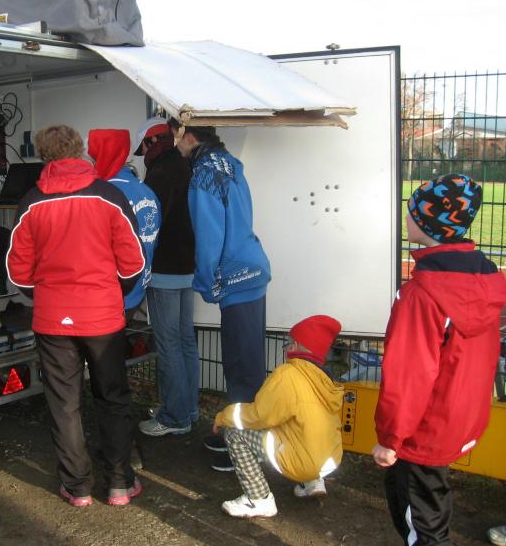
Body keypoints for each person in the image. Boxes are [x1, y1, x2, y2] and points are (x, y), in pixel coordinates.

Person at [6, 124, 146, 507]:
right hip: (103, 316)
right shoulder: (109, 195)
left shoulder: (31, 201)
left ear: (43, 155)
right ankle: (119, 484)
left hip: (54, 319)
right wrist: (111, 293)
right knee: (112, 398)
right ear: (79, 150)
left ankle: (78, 487)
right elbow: (133, 263)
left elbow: (18, 271)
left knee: (64, 404)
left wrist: (44, 295)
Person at [372, 174, 506, 545]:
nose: (407, 216)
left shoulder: (420, 294)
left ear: (427, 222)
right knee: (431, 503)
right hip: (462, 416)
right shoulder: (485, 278)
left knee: (421, 525)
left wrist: (390, 439)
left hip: (422, 430)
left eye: (412, 210)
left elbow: (409, 376)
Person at [175, 123, 271, 470]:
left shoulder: (203, 174)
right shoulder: (229, 162)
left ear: (190, 136)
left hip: (234, 277)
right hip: (251, 269)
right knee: (247, 363)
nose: (175, 145)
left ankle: (246, 451)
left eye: (175, 136)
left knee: (241, 369)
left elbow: (208, 238)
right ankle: (237, 433)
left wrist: (206, 283)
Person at [213, 315, 344, 518]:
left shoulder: (287, 374)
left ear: (296, 346)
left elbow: (259, 415)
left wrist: (224, 415)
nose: (286, 348)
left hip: (304, 461)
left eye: (289, 342)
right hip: (329, 459)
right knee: (301, 424)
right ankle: (313, 482)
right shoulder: (326, 378)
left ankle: (258, 499)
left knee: (235, 432)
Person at [131, 118, 200, 438]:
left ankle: (174, 416)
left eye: (143, 148)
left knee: (169, 343)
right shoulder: (187, 166)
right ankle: (188, 408)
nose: (143, 156)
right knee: (185, 341)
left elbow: (151, 224)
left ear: (151, 143)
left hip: (164, 270)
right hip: (187, 267)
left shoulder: (159, 173)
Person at [88, 128, 160, 313]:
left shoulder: (104, 193)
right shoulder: (146, 190)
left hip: (111, 294)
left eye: (92, 158)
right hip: (139, 287)